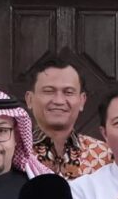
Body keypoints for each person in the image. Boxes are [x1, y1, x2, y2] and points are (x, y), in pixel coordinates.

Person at [22, 50, 111, 181]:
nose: (59, 101)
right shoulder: (15, 152)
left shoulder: (105, 155)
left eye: (68, 92)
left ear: (82, 101)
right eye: (48, 91)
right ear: (29, 99)